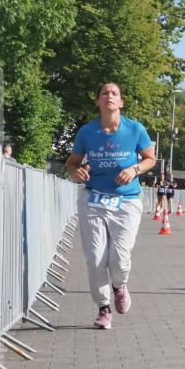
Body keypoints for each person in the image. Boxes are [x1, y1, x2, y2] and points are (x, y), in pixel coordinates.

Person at [65, 82, 156, 330]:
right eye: (104, 93)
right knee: (95, 258)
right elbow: (72, 163)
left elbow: (150, 159)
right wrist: (76, 172)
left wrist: (134, 169)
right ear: (98, 101)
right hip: (93, 199)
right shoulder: (87, 132)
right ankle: (103, 308)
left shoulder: (135, 129)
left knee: (119, 260)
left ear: (121, 102)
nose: (109, 96)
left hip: (126, 201)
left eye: (114, 93)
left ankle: (119, 285)